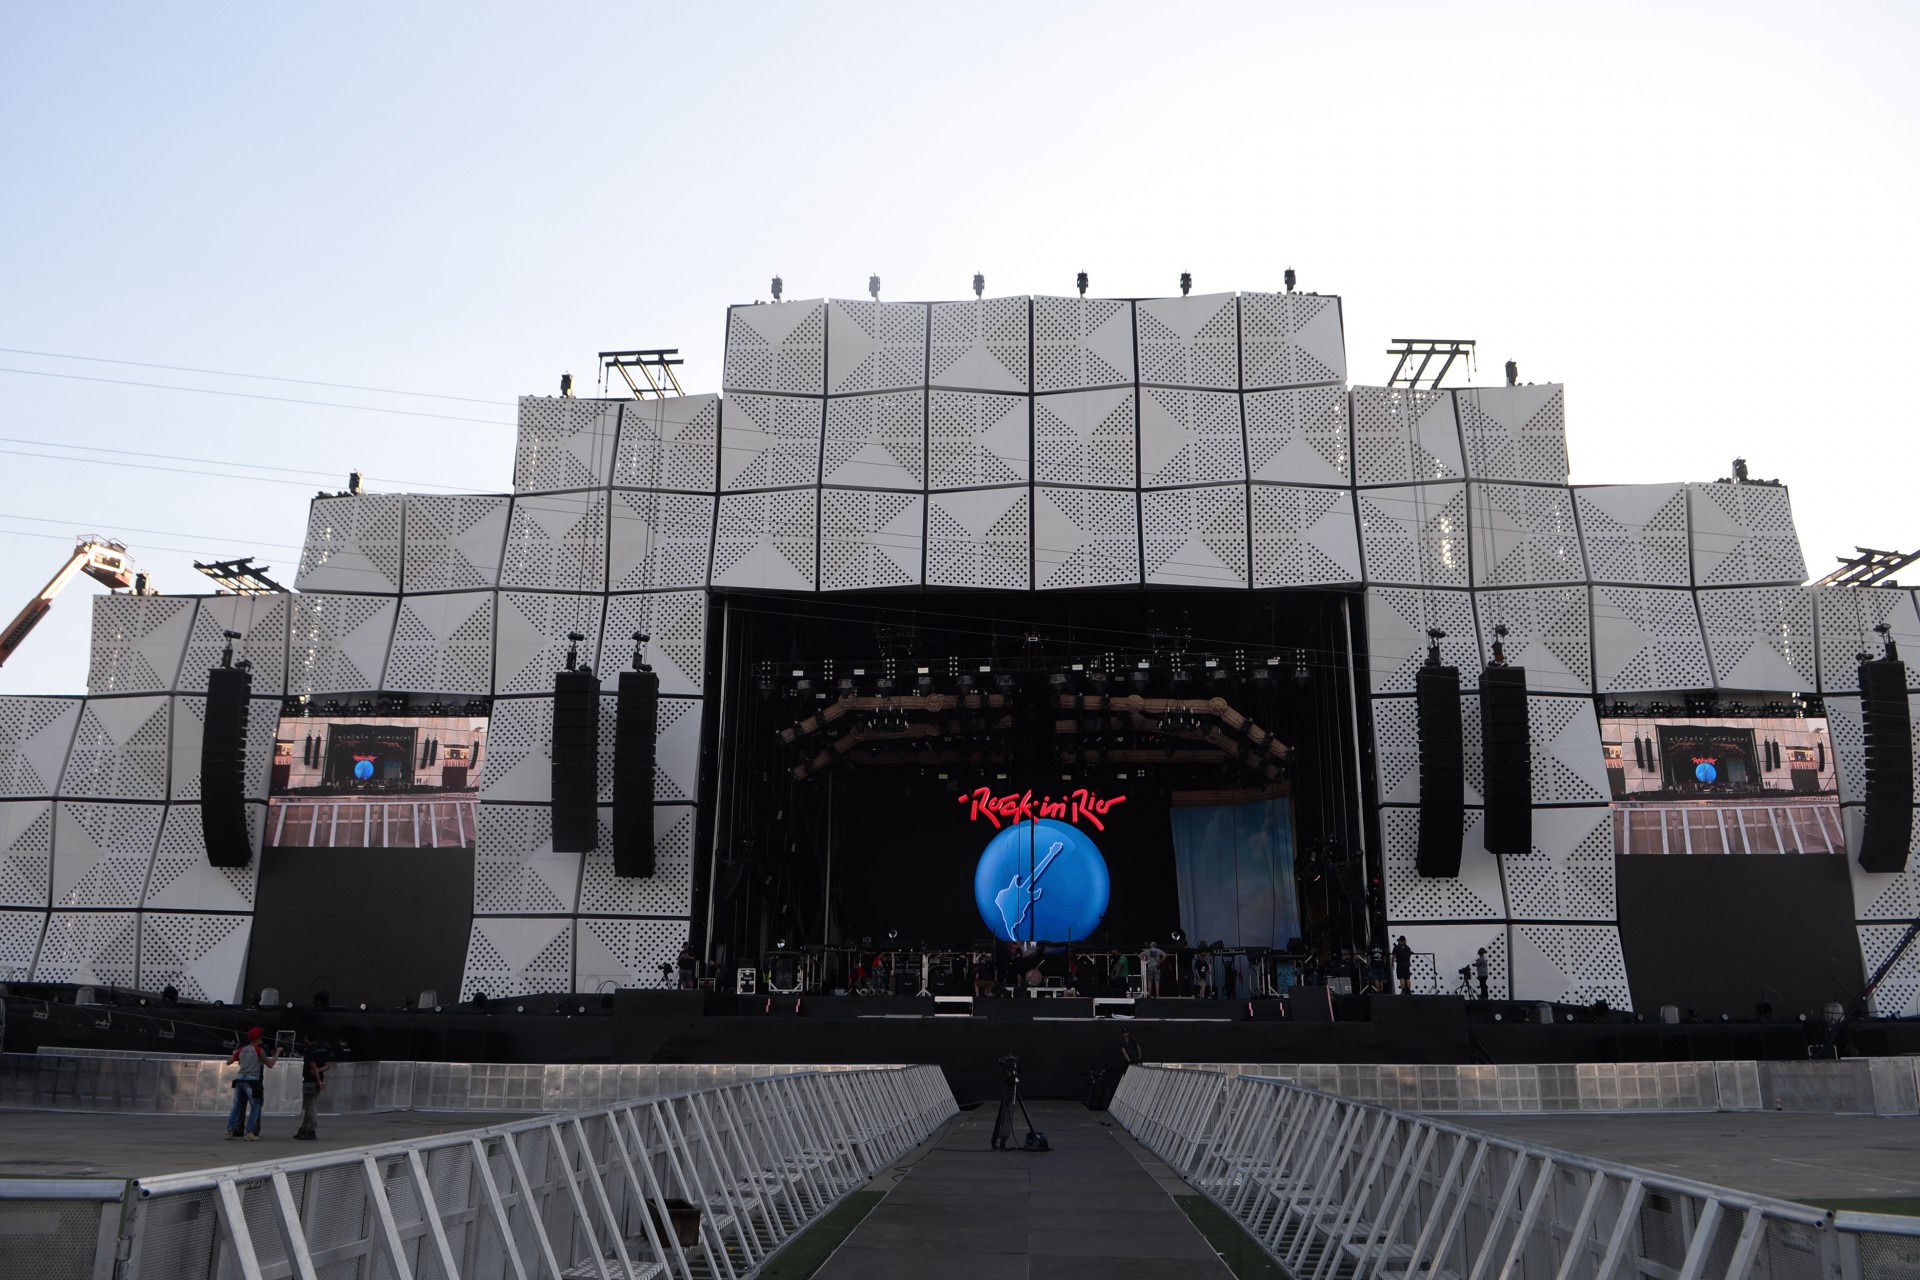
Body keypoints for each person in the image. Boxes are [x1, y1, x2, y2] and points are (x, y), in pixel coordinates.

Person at [225, 1027, 277, 1141]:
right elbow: (270, 1064)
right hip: (252, 1080)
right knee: (255, 1106)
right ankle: (249, 1132)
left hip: (239, 1079)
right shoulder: (259, 1050)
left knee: (236, 1107)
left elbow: (228, 1062)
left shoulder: (241, 1050)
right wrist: (277, 1053)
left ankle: (230, 1131)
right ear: (258, 1038)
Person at [294, 1039, 331, 1141]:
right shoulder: (324, 1050)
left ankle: (311, 1130)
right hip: (318, 1082)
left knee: (310, 1106)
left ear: (307, 1038)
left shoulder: (310, 1050)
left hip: (310, 1081)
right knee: (309, 1106)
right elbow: (328, 1065)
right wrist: (319, 1075)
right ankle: (304, 1129)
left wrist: (317, 1077)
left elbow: (312, 1065)